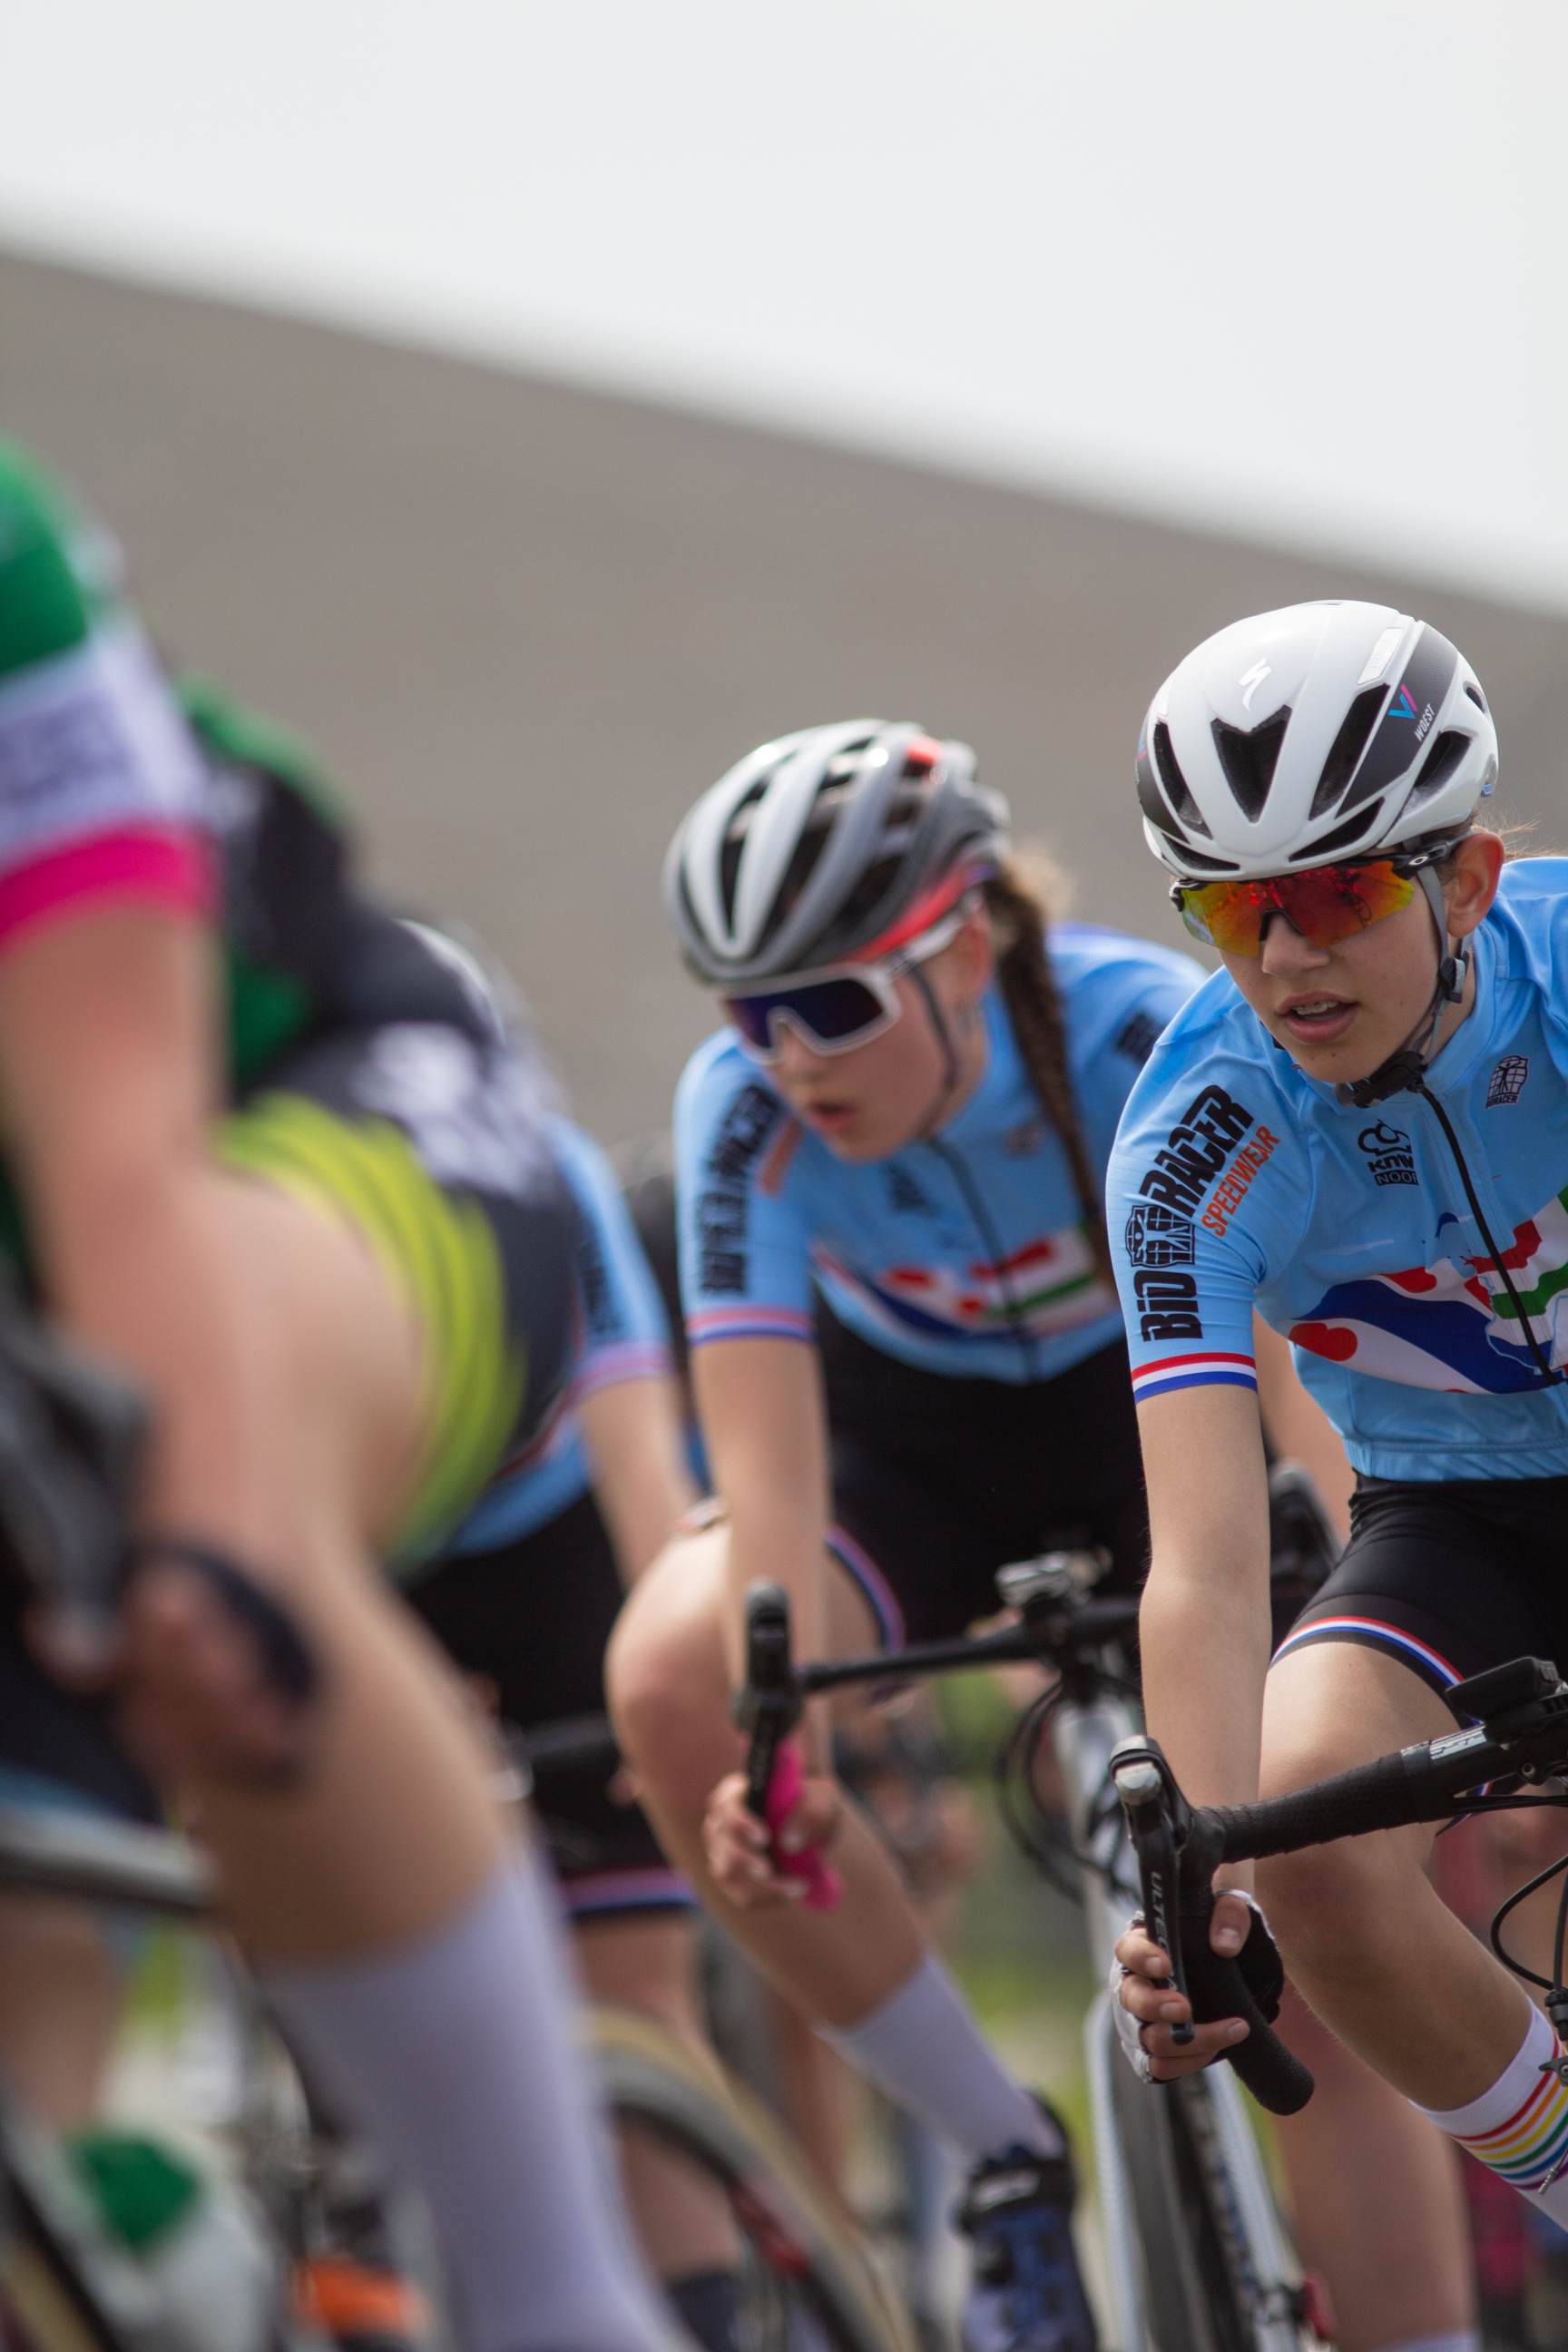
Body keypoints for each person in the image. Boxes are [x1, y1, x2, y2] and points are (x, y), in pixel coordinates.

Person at [0, 436, 669, 2352]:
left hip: (293, 1117)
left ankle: (565, 2308)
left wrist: (208, 1540)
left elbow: (123, 1164)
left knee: (186, 1474)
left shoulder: (3, 562)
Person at [608, 718, 1206, 2352]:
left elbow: (1286, 1355)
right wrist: (771, 1724)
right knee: (678, 1673)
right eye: (749, 1009)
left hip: (1158, 1409)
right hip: (918, 1445)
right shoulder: (744, 1107)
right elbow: (767, 1481)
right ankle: (1005, 2161)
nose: (788, 1051)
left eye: (832, 1005)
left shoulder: (1145, 1025)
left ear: (958, 945)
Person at [1108, 599, 1568, 2349]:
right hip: (1455, 1513)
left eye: (1343, 892)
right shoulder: (1198, 1140)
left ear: (1466, 879)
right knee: (1307, 1813)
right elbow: (1213, 1566)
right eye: (1237, 907)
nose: (1290, 954)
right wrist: (1199, 1882)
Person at [407, 1093, 747, 2352]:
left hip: (559, 1538)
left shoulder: (544, 1164)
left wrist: (663, 1686)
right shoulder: (290, 1199)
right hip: (374, 1538)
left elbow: (643, 1466)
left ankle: (702, 2314)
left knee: (636, 2000)